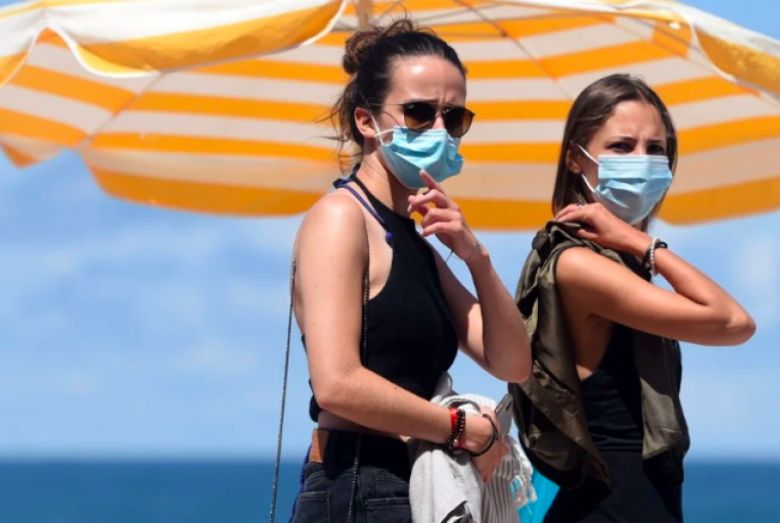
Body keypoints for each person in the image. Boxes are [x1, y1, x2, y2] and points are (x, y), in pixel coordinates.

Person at [289, 19, 531, 523]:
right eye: (419, 113)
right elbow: (336, 383)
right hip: (357, 480)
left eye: (454, 117)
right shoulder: (341, 219)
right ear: (366, 121)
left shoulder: (414, 240)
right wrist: (462, 429)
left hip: (413, 480)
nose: (439, 130)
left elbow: (513, 363)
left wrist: (475, 256)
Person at [510, 74, 756, 523]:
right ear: (575, 158)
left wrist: (632, 247)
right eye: (622, 147)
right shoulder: (577, 265)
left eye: (655, 148)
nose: (641, 160)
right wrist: (641, 242)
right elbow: (732, 322)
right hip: (607, 505)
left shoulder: (620, 265)